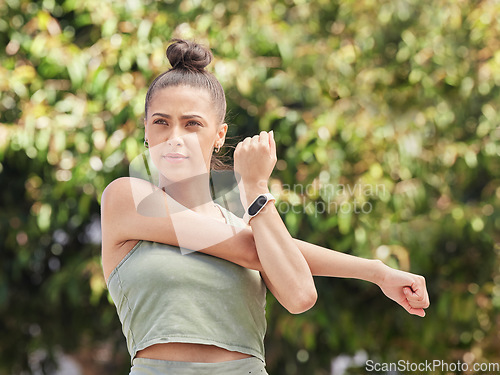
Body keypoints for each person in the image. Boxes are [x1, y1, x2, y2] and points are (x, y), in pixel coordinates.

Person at [100, 38, 430, 375]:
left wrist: (378, 272)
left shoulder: (247, 227)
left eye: (192, 123)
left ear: (219, 134)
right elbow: (253, 250)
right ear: (145, 130)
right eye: (161, 122)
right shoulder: (126, 198)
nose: (175, 136)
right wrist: (255, 190)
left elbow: (299, 294)